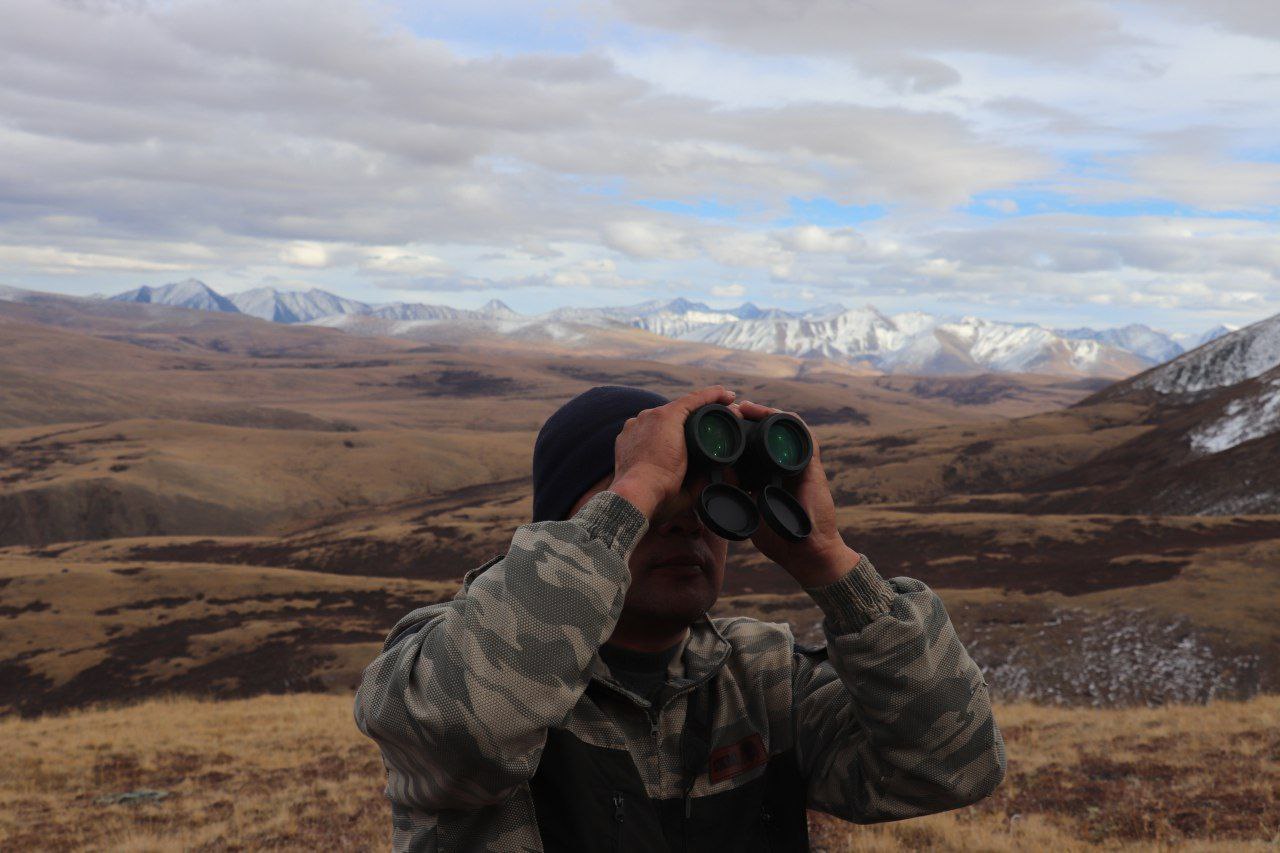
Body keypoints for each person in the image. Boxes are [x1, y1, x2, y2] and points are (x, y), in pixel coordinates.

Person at [355, 384, 1005, 852]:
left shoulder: (760, 677)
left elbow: (950, 765)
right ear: (565, 529)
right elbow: (474, 732)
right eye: (651, 505)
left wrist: (827, 559)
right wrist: (635, 486)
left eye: (704, 498)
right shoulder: (439, 662)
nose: (685, 521)